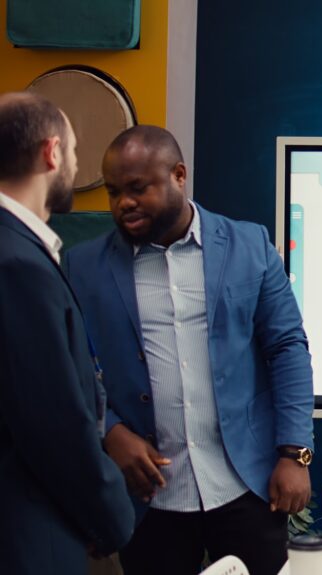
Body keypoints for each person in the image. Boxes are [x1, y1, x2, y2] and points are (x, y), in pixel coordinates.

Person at [65, 125, 314, 575]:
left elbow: (287, 348)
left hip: (246, 484)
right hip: (149, 497)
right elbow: (69, 366)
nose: (124, 203)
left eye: (138, 188)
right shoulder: (82, 266)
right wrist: (109, 430)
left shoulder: (249, 245)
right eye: (114, 192)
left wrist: (293, 454)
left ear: (179, 175)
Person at [0, 92, 135, 574]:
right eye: (75, 153)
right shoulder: (18, 264)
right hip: (26, 534)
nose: (76, 167)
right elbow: (53, 421)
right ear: (51, 152)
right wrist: (112, 518)